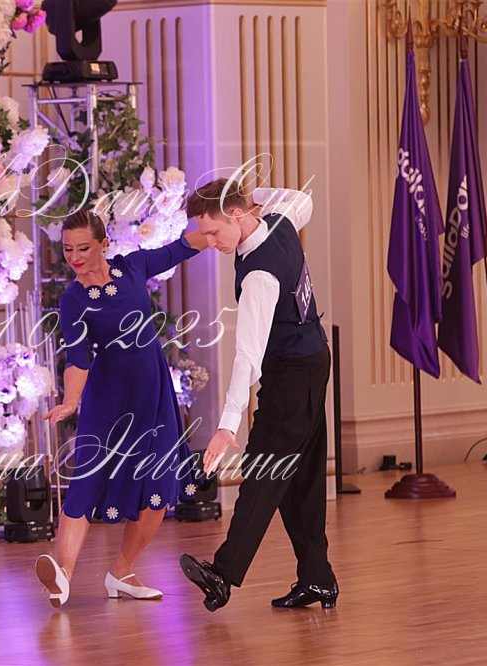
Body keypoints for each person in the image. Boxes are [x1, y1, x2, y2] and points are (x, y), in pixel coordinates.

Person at [34, 209, 209, 608]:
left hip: (153, 394)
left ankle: (122, 571)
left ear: (104, 244)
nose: (75, 257)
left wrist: (225, 231)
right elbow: (77, 358)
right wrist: (71, 401)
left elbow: (182, 247)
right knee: (87, 480)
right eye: (67, 250)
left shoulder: (133, 267)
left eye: (83, 248)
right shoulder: (73, 300)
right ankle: (62, 576)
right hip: (108, 400)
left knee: (158, 486)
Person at [178, 179, 339, 612]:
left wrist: (226, 425)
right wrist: (251, 198)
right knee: (300, 475)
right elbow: (301, 199)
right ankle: (317, 578)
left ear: (236, 216)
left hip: (291, 374)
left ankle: (222, 575)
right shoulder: (279, 219)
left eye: (214, 232)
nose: (211, 243)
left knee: (263, 472)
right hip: (311, 361)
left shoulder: (259, 276)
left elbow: (247, 356)